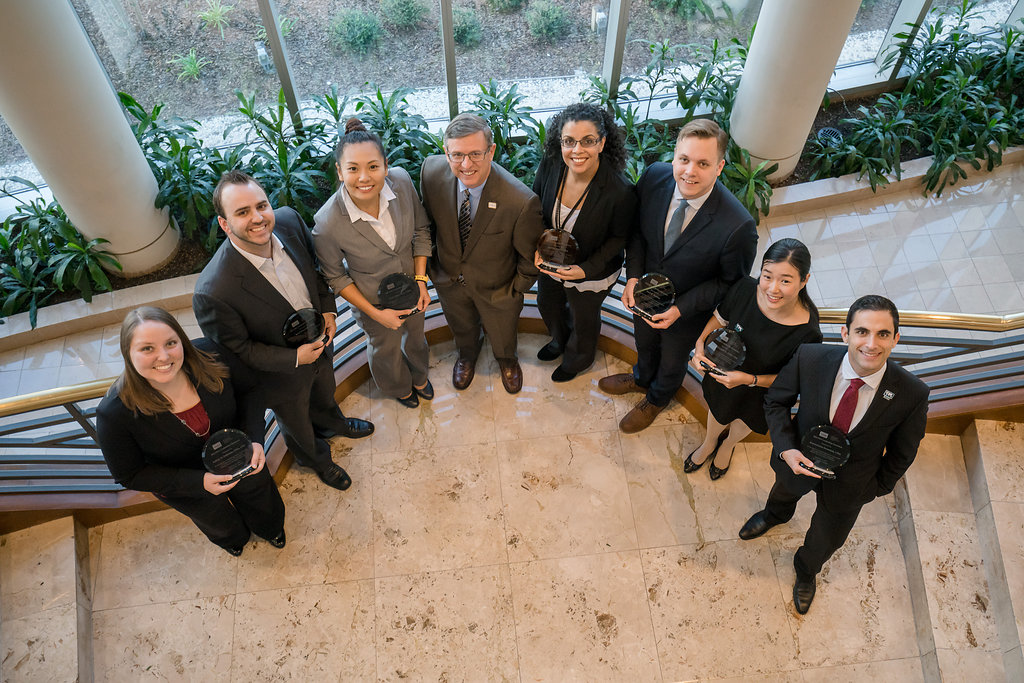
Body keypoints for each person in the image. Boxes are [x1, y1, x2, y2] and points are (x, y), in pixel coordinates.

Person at [738, 295, 929, 614]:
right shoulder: (810, 358)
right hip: (797, 461)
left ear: (895, 338)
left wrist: (875, 488)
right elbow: (776, 402)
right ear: (845, 333)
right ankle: (774, 515)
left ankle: (806, 570)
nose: (871, 343)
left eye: (883, 334)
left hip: (851, 483)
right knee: (783, 492)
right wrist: (786, 450)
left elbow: (902, 452)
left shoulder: (911, 392)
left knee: (827, 539)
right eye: (862, 331)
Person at [193, 170, 373, 492]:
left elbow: (317, 271)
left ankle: (334, 423)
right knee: (297, 426)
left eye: (261, 206)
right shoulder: (213, 291)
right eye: (243, 212)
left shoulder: (289, 221)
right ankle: (317, 460)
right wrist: (295, 358)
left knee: (324, 392)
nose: (258, 218)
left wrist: (329, 309)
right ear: (224, 224)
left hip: (320, 342)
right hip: (280, 375)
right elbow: (240, 352)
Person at [599, 119, 758, 433]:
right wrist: (632, 279)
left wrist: (680, 309)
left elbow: (730, 285)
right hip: (644, 296)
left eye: (702, 163)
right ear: (674, 156)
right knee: (643, 342)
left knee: (672, 361)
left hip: (686, 314)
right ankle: (642, 377)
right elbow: (638, 234)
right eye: (684, 159)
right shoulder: (655, 176)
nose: (690, 171)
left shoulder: (738, 226)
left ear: (719, 167)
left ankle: (657, 398)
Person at [96, 306, 285, 557]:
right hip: (183, 482)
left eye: (170, 343)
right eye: (147, 348)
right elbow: (129, 474)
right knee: (214, 518)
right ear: (128, 354)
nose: (163, 357)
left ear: (182, 341)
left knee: (260, 497)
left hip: (239, 454)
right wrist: (199, 482)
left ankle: (271, 529)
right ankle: (233, 540)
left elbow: (250, 390)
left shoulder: (211, 353)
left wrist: (255, 440)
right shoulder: (113, 413)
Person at [420, 113, 545, 394]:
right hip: (450, 280)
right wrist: (432, 270)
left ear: (491, 151)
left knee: (503, 332)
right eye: (457, 155)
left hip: (498, 288)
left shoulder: (520, 201)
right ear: (446, 152)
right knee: (461, 327)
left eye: (475, 154)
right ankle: (467, 356)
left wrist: (515, 290)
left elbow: (529, 257)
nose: (466, 165)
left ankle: (506, 360)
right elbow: (426, 223)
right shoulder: (430, 173)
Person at [312, 118, 433, 408]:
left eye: (373, 167)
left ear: (386, 166)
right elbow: (336, 278)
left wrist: (420, 281)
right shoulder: (326, 223)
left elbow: (420, 231)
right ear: (340, 171)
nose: (364, 177)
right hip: (372, 302)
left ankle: (419, 376)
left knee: (416, 337)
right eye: (353, 168)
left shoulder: (402, 182)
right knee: (386, 348)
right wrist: (377, 315)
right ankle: (398, 387)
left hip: (412, 288)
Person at [686, 238, 822, 480]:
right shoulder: (745, 289)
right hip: (725, 372)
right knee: (718, 412)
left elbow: (792, 379)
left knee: (744, 422)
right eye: (767, 276)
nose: (772, 288)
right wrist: (699, 345)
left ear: (805, 281)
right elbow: (721, 318)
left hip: (762, 389)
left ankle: (727, 447)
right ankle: (709, 443)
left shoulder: (808, 332)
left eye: (786, 280)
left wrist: (749, 379)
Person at [532, 103, 636, 382]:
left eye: (588, 141)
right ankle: (559, 341)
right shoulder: (552, 163)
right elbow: (535, 206)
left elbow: (619, 238)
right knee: (547, 303)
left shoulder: (619, 190)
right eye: (569, 141)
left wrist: (586, 270)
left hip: (591, 270)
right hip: (552, 260)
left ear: (602, 143)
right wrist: (537, 246)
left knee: (583, 319)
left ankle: (578, 358)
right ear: (560, 142)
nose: (577, 150)